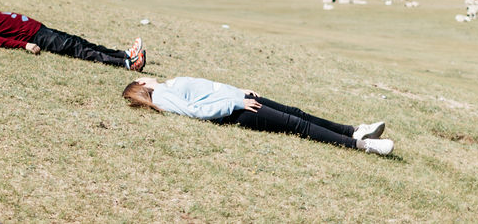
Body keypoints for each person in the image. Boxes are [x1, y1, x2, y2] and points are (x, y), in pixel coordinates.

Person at [122, 76, 392, 155]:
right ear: (141, 85)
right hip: (238, 111)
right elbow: (196, 111)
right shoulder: (163, 96)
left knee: (296, 113)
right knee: (296, 125)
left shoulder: (167, 87)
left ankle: (353, 130)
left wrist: (239, 91)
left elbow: (207, 89)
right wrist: (235, 104)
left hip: (240, 99)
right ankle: (364, 145)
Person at [0, 7, 146, 71]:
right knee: (77, 49)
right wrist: (25, 45)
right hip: (33, 35)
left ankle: (126, 54)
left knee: (79, 42)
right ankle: (127, 64)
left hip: (36, 28)